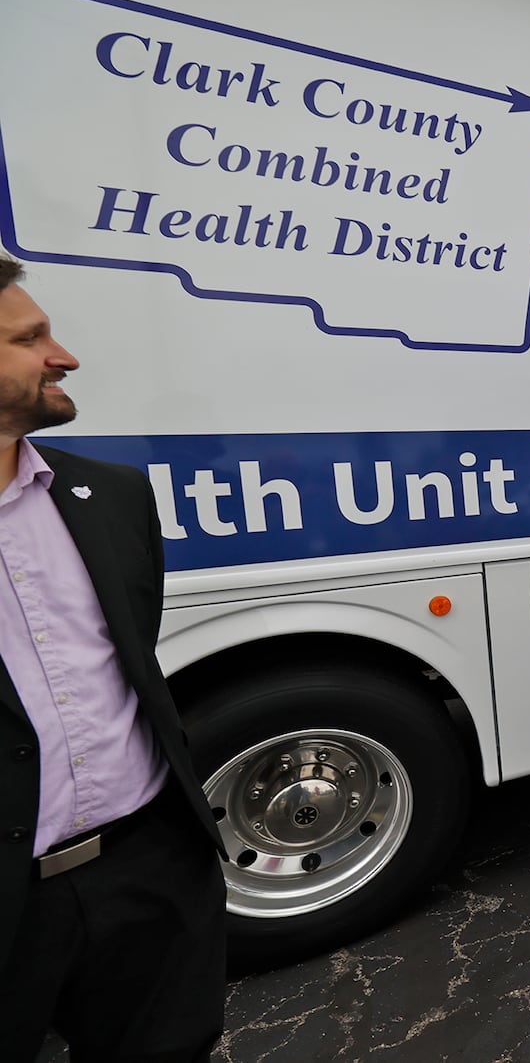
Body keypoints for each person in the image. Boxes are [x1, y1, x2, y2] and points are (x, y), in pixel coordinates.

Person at [0, 257, 228, 1059]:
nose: (64, 356)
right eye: (31, 339)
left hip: (150, 863)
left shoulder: (115, 495)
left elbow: (133, 659)